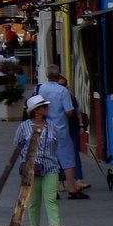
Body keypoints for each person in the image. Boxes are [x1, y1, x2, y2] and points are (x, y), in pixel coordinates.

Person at [15, 95, 70, 226]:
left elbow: (56, 143)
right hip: (32, 168)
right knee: (34, 201)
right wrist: (25, 163)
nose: (47, 109)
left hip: (51, 167)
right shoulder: (24, 127)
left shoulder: (51, 126)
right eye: (44, 107)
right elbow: (18, 145)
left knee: (51, 198)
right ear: (36, 111)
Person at [37, 65, 87, 198]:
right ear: (58, 75)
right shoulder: (62, 91)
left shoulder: (42, 88)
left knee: (49, 158)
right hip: (61, 129)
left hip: (46, 128)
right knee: (68, 159)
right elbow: (69, 111)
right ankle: (72, 188)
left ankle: (51, 189)